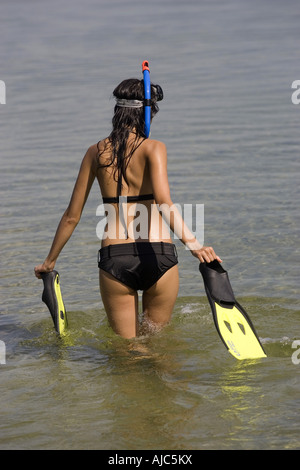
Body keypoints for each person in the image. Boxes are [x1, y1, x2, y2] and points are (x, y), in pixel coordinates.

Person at [34, 77, 222, 339]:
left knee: (128, 352)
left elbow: (71, 217)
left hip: (115, 258)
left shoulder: (95, 152)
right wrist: (194, 246)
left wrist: (49, 261)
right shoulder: (154, 148)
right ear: (147, 114)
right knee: (158, 345)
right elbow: (164, 202)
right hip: (159, 256)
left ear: (117, 112)